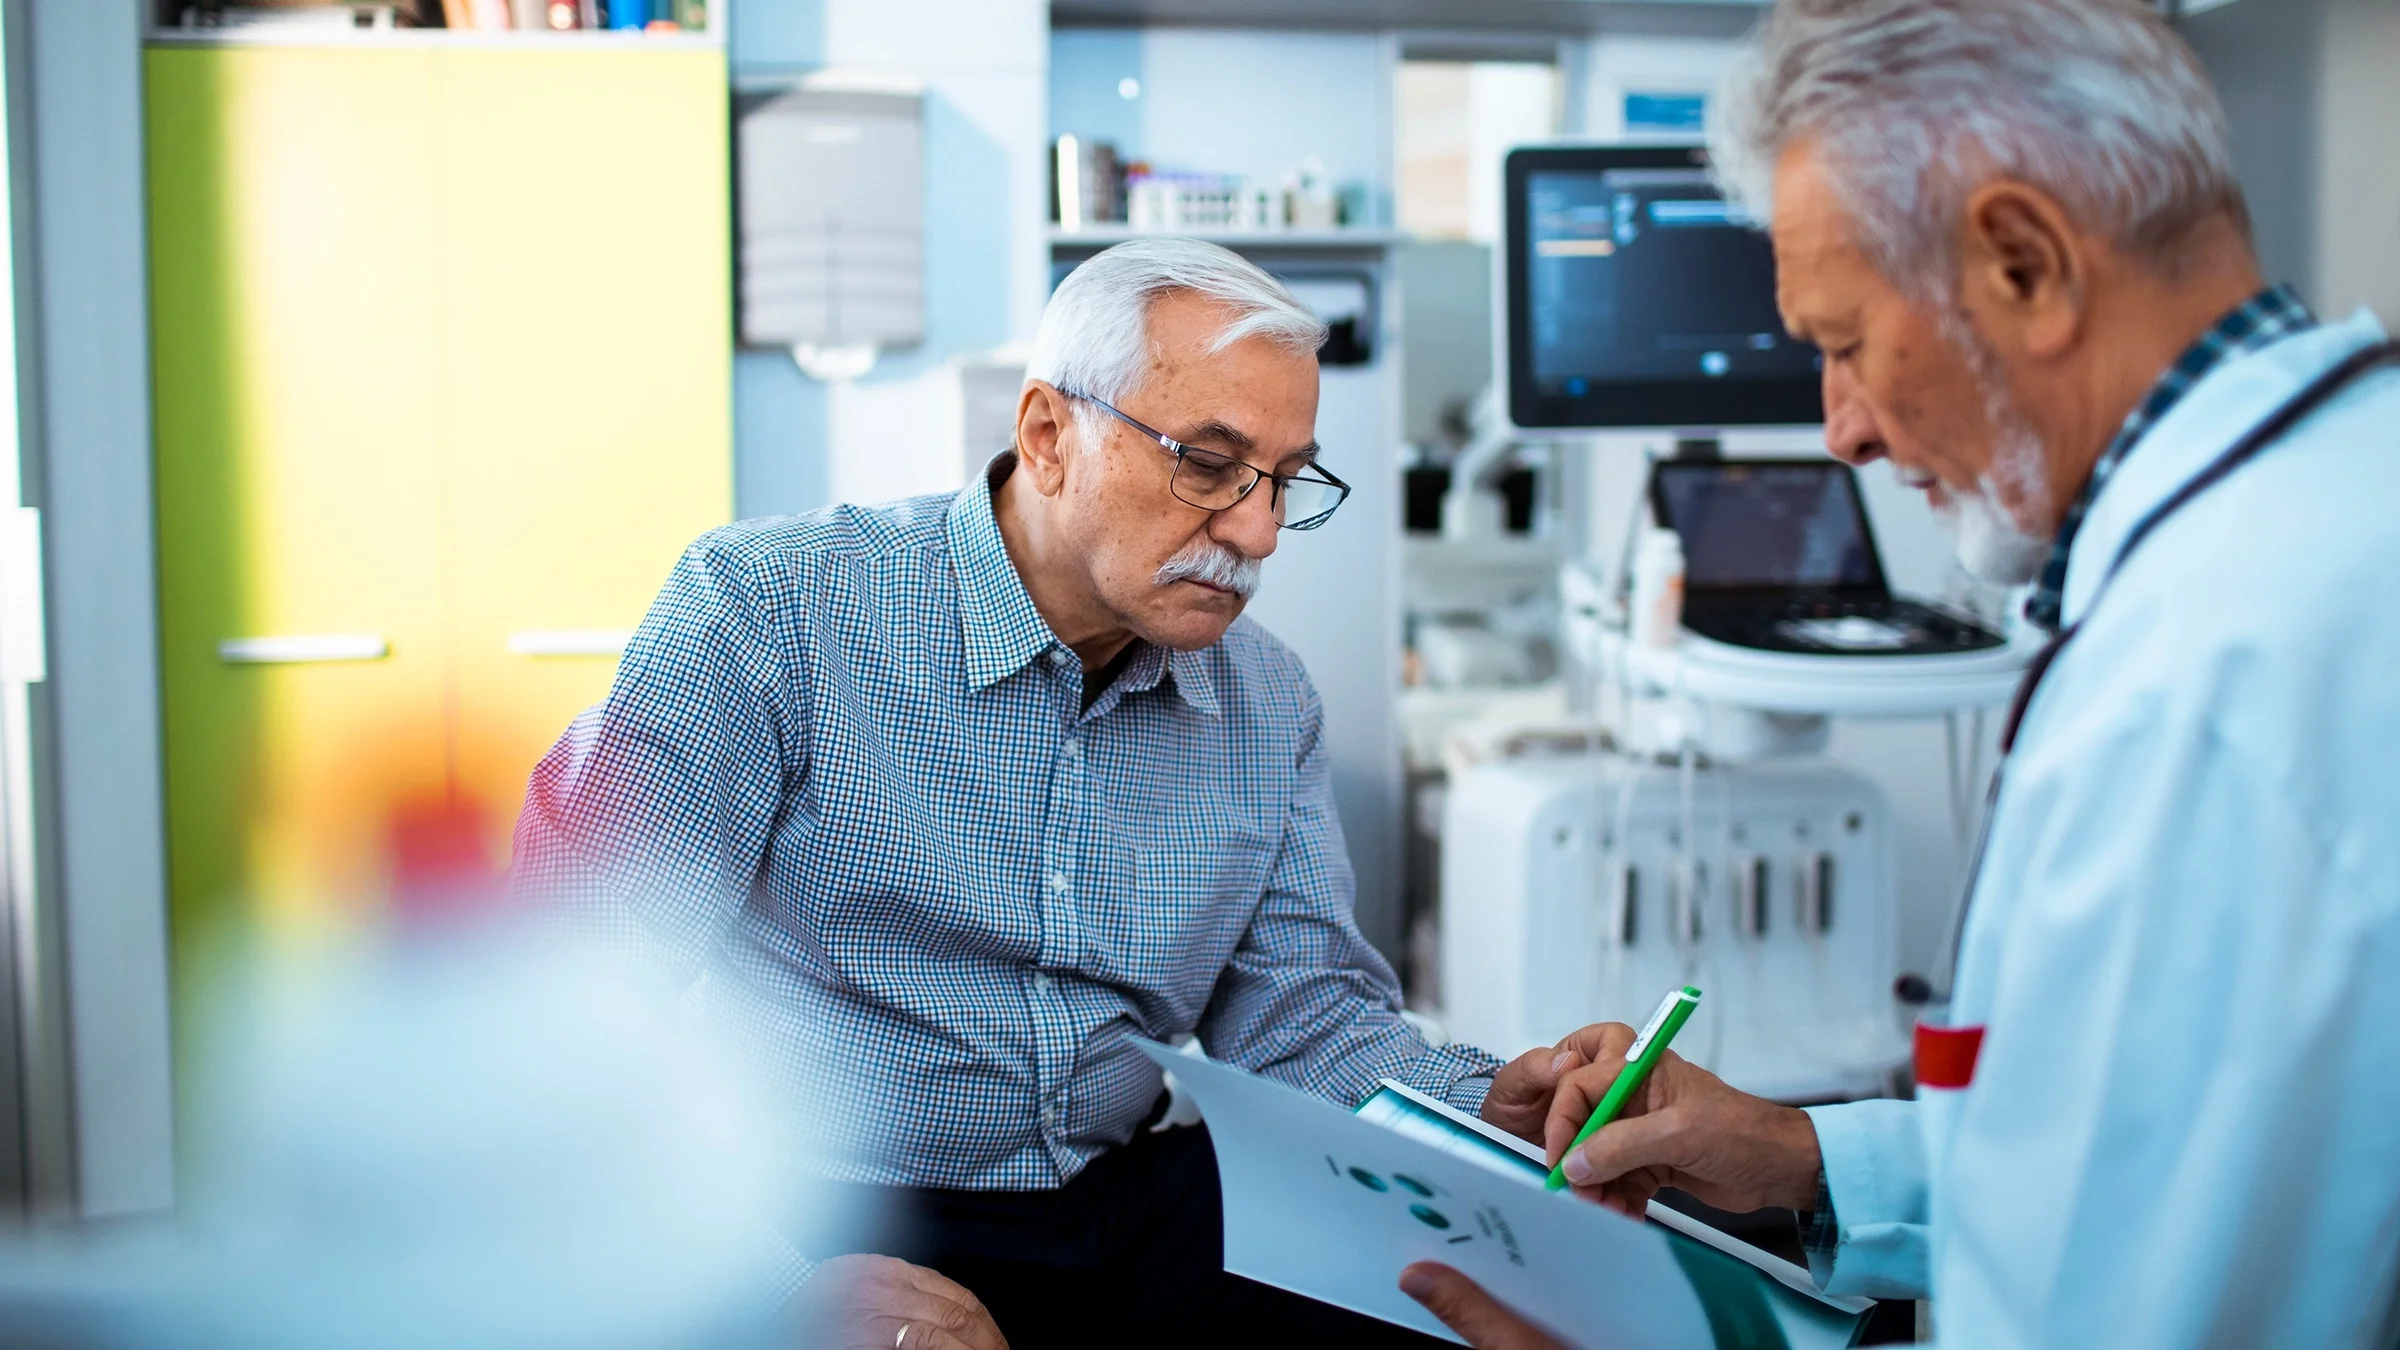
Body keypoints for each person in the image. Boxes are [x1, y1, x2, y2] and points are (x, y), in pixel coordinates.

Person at [1401, 0, 2400, 1345]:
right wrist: (1810, 1159)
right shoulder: (2335, 496)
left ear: (2025, 264)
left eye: (1845, 342)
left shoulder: (2205, 685)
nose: (1843, 430)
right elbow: (2102, 1157)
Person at [512, 237, 1588, 1348]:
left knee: (1452, 1292)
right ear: (1047, 435)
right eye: (1210, 465)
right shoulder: (769, 617)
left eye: (1285, 479)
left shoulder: (1267, 699)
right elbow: (563, 1003)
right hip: (829, 1204)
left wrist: (1483, 1107)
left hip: (1118, 1203)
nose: (1258, 531)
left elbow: (1304, 1025)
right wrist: (773, 1285)